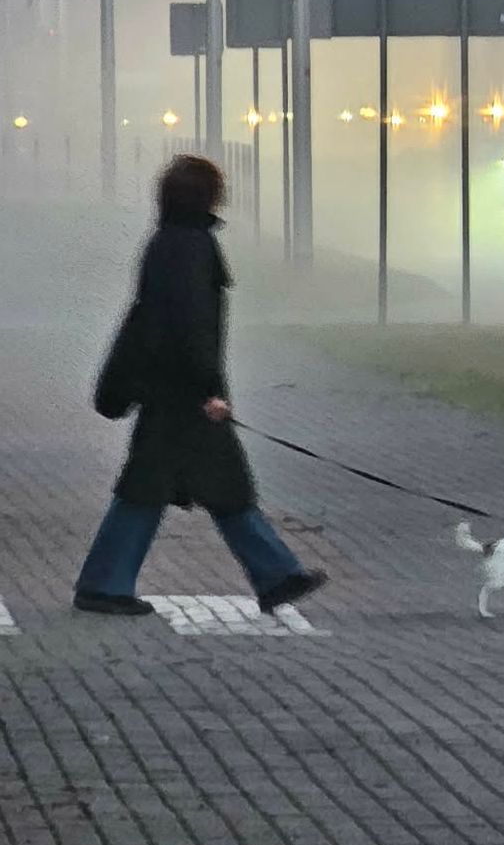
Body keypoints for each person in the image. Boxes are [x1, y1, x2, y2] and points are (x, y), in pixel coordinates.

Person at [76, 154, 326, 616]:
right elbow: (192, 326)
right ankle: (273, 575)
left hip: (169, 392)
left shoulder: (169, 241)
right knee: (176, 487)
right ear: (206, 195)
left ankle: (275, 575)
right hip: (184, 396)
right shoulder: (190, 246)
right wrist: (209, 390)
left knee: (167, 486)